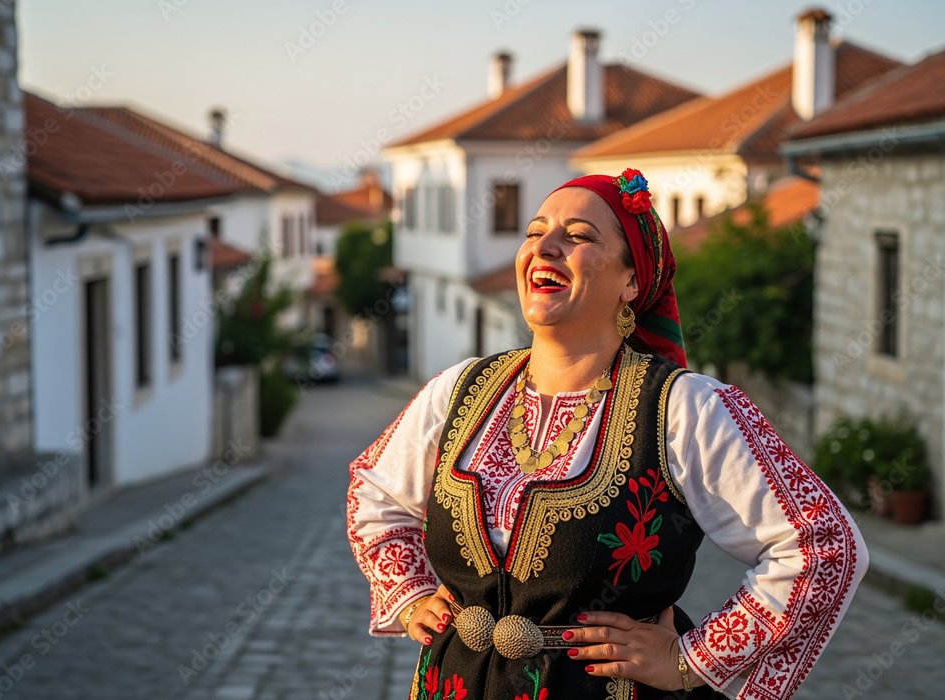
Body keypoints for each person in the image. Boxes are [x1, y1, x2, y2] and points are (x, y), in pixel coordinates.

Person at [346, 170, 868, 700]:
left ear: (632, 282)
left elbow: (823, 545)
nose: (545, 246)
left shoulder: (684, 409)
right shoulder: (460, 389)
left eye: (577, 236)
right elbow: (375, 490)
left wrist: (690, 660)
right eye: (534, 231)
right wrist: (409, 592)